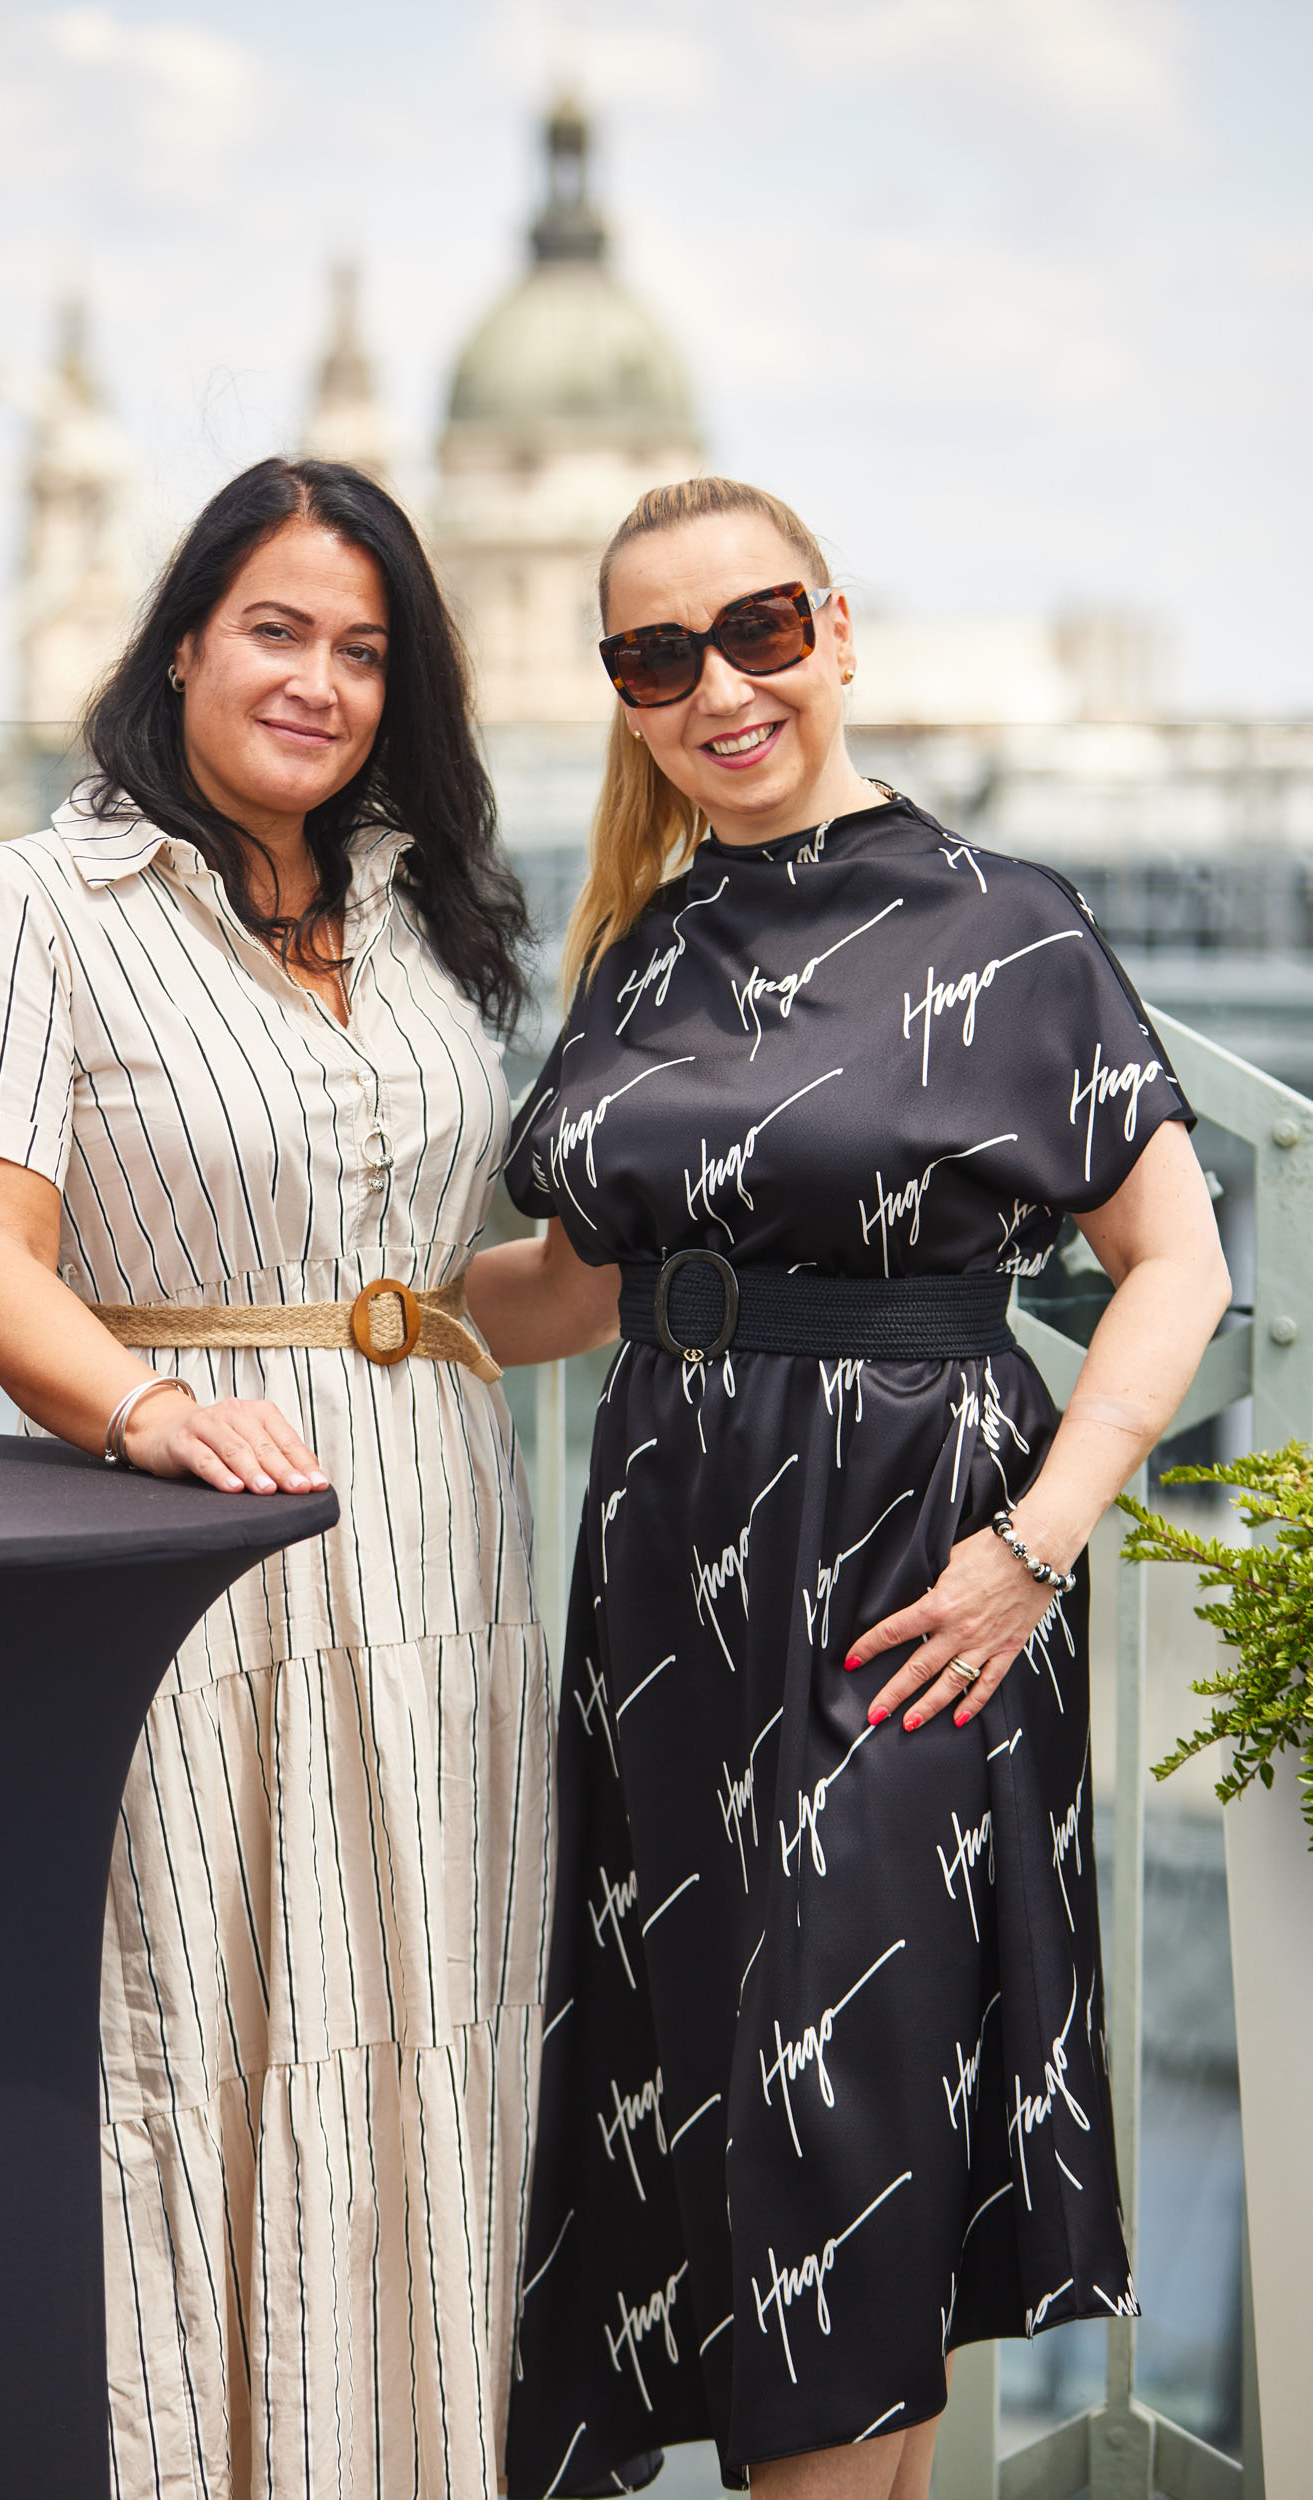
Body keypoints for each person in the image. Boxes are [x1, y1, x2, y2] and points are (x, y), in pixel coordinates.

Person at [472, 476, 1230, 2498]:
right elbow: (576, 1288)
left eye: (761, 630)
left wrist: (1032, 1550)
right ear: (623, 694)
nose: (721, 689)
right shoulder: (638, 948)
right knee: (749, 2134)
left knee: (840, 2128)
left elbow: (1177, 1264)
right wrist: (326, 1317)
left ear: (837, 628)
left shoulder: (1008, 922)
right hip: (672, 1596)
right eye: (659, 657)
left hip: (916, 1578)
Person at [0, 457, 564, 2500]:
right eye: (275, 628)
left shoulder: (416, 910)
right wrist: (144, 1409)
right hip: (187, 1545)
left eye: (364, 649)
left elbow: (431, 1285)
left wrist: (684, 1230)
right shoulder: (29, 903)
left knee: (433, 2036)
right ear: (181, 641)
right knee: (204, 2031)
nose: (318, 682)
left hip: (437, 1540)